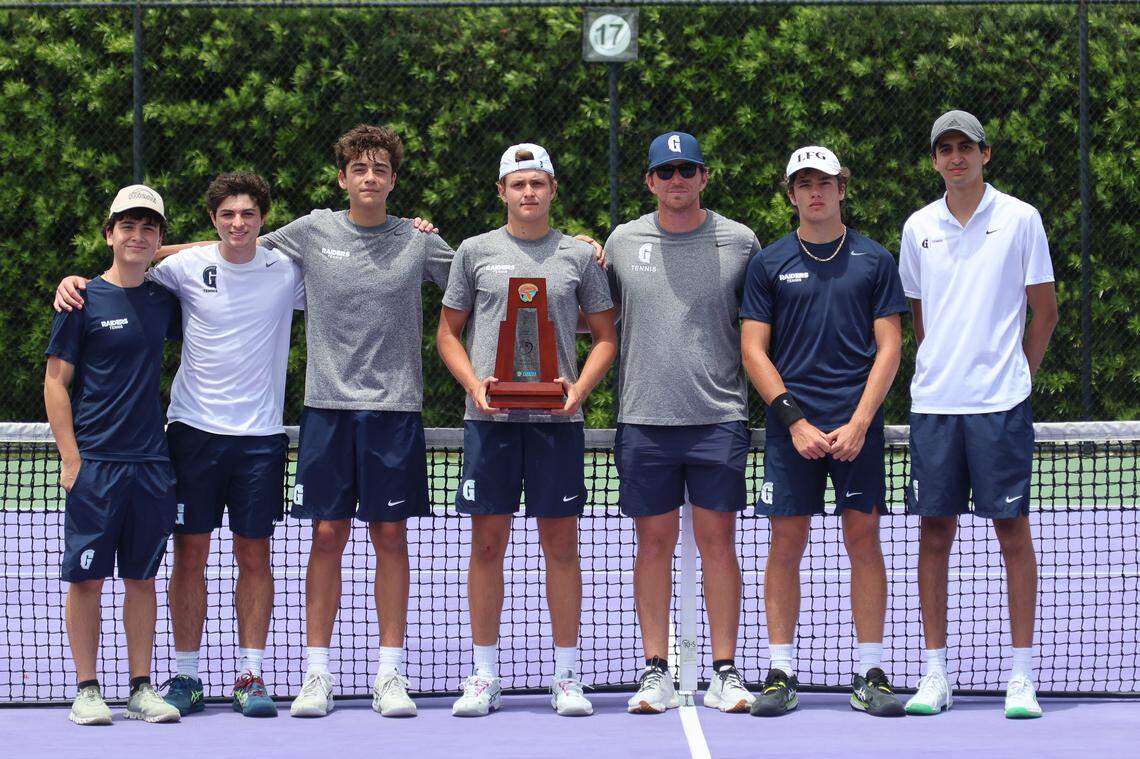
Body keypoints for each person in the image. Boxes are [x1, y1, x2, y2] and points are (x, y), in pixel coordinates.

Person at [54, 172, 305, 717]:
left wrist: (410, 230)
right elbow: (130, 265)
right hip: (190, 435)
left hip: (261, 439)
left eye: (249, 215)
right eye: (227, 216)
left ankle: (250, 676)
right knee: (187, 555)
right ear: (213, 221)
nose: (238, 224)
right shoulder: (181, 271)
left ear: (264, 219)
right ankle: (184, 678)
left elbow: (347, 269)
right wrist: (77, 278)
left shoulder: (286, 270)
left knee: (253, 554)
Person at [250, 124, 454, 719]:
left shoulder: (418, 242)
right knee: (326, 536)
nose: (370, 178)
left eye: (381, 170)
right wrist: (140, 256)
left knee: (391, 538)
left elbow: (485, 275)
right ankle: (318, 674)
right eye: (359, 170)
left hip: (394, 410)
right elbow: (234, 247)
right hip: (326, 411)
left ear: (393, 179)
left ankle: (389, 674)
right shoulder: (313, 230)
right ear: (343, 178)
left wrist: (578, 250)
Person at [436, 144, 618, 717]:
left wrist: (577, 392)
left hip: (556, 425)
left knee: (561, 548)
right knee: (487, 545)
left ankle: (566, 676)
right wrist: (475, 385)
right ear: (502, 191)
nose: (529, 193)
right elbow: (447, 334)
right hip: (488, 423)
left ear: (553, 190)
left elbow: (606, 336)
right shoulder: (474, 252)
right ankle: (484, 675)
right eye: (518, 184)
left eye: (538, 183)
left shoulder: (578, 256)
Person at [899, 110, 1058, 719]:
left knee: (1012, 533)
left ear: (985, 155)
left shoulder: (1021, 219)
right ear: (935, 159)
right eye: (945, 148)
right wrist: (946, 367)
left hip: (1002, 407)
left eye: (967, 147)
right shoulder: (918, 227)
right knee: (933, 534)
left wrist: (1017, 379)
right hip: (935, 406)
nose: (956, 157)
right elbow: (920, 317)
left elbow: (1043, 313)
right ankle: (935, 674)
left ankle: (1022, 677)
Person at [740, 146, 908, 717]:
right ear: (791, 194)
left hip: (858, 428)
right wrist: (796, 422)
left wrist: (860, 422)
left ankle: (870, 671)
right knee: (786, 544)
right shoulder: (768, 263)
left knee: (864, 540)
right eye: (804, 183)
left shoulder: (874, 259)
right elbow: (753, 350)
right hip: (794, 433)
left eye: (825, 182)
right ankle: (780, 672)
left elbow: (890, 346)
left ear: (842, 188)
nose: (815, 192)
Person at [604, 131, 761, 714]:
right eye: (665, 172)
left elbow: (765, 325)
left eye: (686, 170)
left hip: (719, 417)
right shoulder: (622, 242)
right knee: (653, 544)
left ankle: (724, 671)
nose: (677, 181)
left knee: (721, 543)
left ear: (704, 176)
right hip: (643, 418)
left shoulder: (741, 242)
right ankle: (655, 671)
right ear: (649, 181)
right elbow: (590, 313)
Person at [44, 185, 183, 725]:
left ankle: (142, 688)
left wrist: (156, 255)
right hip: (95, 464)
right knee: (86, 579)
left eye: (149, 228)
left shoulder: (165, 301)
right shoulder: (79, 299)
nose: (137, 236)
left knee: (142, 578)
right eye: (127, 226)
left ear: (159, 240)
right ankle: (86, 690)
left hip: (152, 462)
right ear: (109, 234)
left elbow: (218, 249)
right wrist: (70, 458)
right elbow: (56, 383)